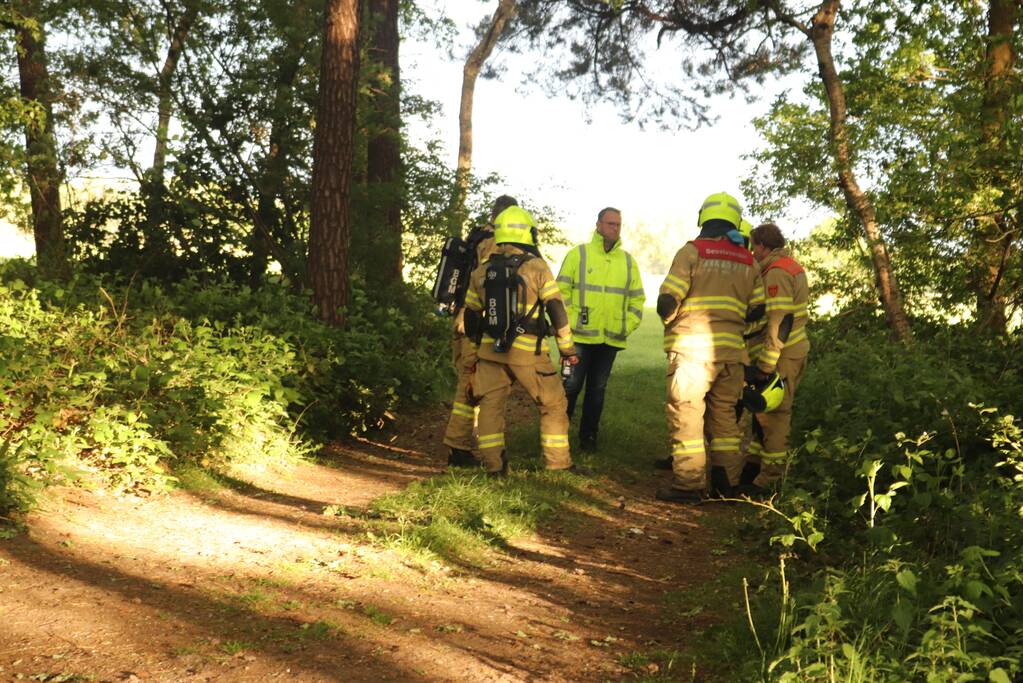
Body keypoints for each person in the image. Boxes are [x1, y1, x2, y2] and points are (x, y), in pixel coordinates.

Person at [655, 192, 765, 504]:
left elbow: (667, 300)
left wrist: (671, 319)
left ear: (704, 217)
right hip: (731, 354)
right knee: (725, 419)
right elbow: (758, 308)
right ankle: (725, 485)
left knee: (688, 415)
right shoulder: (748, 261)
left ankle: (688, 486)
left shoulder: (693, 252)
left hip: (692, 351)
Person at [462, 206, 579, 476]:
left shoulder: (482, 270)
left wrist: (475, 351)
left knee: (491, 408)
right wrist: (567, 347)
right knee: (553, 404)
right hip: (528, 355)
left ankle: (494, 467)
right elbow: (556, 309)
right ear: (528, 233)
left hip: (491, 352)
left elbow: (470, 317)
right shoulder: (536, 267)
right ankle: (558, 464)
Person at [555, 207, 645, 451]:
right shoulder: (578, 255)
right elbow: (559, 294)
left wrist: (626, 325)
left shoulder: (628, 261)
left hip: (610, 340)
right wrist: (572, 323)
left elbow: (637, 300)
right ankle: (557, 437)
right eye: (610, 223)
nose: (615, 228)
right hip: (579, 339)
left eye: (618, 224)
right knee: (570, 387)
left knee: (597, 390)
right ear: (598, 225)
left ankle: (589, 439)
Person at [443, 195, 518, 468]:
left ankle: (459, 445)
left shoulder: (479, 236)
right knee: (470, 383)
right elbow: (488, 283)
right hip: (473, 323)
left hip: (465, 318)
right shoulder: (493, 242)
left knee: (469, 382)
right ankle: (458, 448)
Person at [742, 223, 810, 491]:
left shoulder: (777, 273)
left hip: (782, 355)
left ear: (761, 245)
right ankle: (754, 465)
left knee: (775, 417)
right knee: (764, 413)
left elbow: (778, 322)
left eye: (753, 246)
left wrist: (766, 364)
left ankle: (769, 480)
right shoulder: (787, 265)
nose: (752, 253)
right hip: (790, 351)